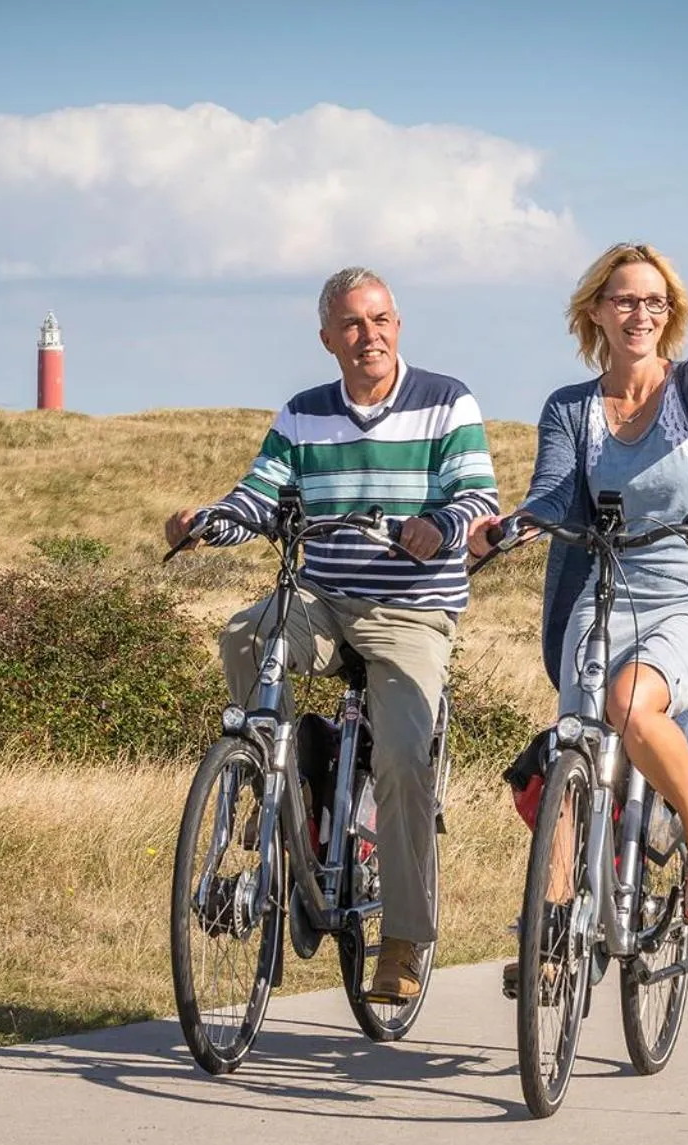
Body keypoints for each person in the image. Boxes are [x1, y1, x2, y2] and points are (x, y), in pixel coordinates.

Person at [165, 266, 499, 1000]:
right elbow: (259, 495)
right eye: (351, 325)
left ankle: (404, 943)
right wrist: (206, 523)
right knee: (245, 635)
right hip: (323, 597)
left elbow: (478, 497)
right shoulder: (303, 413)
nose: (367, 335)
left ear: (398, 324)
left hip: (411, 608)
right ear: (327, 339)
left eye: (379, 320)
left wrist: (436, 526)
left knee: (405, 760)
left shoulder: (446, 400)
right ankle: (273, 779)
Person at [469, 242, 688, 926]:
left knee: (630, 706)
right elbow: (549, 494)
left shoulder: (687, 387)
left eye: (655, 302)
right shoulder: (570, 409)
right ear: (597, 311)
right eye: (627, 300)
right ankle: (550, 923)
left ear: (670, 313)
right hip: (605, 595)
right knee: (572, 742)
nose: (642, 313)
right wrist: (514, 528)